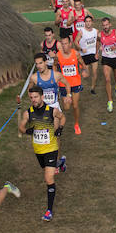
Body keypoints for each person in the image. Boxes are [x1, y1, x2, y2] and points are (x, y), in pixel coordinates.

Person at [18, 86, 66, 222]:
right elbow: (21, 126)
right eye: (31, 97)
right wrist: (27, 131)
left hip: (51, 149)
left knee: (49, 178)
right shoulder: (28, 113)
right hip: (38, 151)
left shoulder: (52, 111)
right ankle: (60, 163)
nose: (33, 100)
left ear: (42, 97)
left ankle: (49, 211)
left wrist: (60, 129)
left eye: (36, 97)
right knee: (46, 170)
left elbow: (62, 118)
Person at [55, 33, 87, 135]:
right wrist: (56, 77)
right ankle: (67, 98)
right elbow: (54, 66)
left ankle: (76, 124)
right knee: (66, 107)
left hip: (75, 83)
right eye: (62, 44)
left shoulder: (76, 53)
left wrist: (85, 70)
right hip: (63, 84)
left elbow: (82, 63)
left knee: (75, 105)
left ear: (70, 44)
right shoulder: (58, 55)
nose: (64, 46)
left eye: (66, 43)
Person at [98, 17, 116, 113]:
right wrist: (98, 50)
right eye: (104, 25)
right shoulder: (100, 35)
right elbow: (98, 42)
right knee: (107, 79)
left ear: (110, 24)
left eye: (107, 25)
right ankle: (110, 101)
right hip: (106, 59)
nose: (105, 27)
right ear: (102, 26)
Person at [77, 15, 99, 94]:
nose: (88, 23)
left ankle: (93, 88)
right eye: (87, 21)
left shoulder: (96, 31)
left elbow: (98, 42)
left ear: (92, 22)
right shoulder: (81, 31)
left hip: (93, 53)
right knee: (86, 74)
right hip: (84, 54)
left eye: (90, 21)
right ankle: (79, 85)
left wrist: (97, 52)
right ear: (84, 23)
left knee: (95, 72)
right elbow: (75, 42)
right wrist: (81, 49)